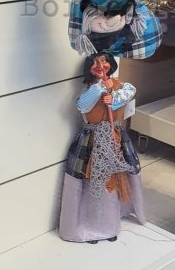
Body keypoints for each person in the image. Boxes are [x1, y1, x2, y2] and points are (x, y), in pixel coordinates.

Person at [58, 51, 145, 243]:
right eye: (95, 63)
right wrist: (99, 90)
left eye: (104, 62)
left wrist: (114, 99)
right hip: (92, 142)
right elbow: (82, 106)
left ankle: (110, 225)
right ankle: (89, 226)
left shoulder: (121, 86)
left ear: (111, 64)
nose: (100, 66)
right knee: (91, 180)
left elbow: (131, 91)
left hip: (114, 139)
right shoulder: (89, 90)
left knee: (112, 181)